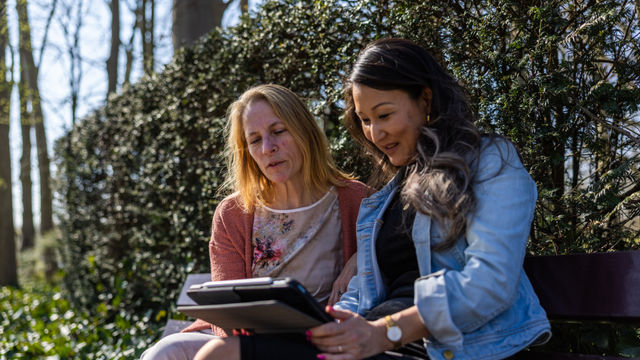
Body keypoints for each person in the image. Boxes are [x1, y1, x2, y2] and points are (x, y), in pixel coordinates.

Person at [192, 38, 551, 360]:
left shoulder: (490, 162)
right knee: (222, 353)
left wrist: (385, 332)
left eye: (384, 115)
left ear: (425, 99)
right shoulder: (388, 197)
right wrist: (335, 326)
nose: (374, 133)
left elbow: (490, 282)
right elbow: (364, 293)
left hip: (442, 347)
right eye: (364, 120)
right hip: (377, 342)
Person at [141, 84, 371, 360]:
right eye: (254, 140)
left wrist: (360, 257)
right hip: (244, 340)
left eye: (278, 131)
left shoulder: (354, 198)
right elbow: (227, 316)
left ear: (304, 130)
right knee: (165, 352)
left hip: (319, 341)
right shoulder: (233, 213)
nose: (268, 148)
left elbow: (387, 258)